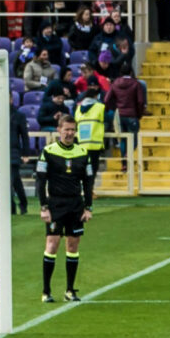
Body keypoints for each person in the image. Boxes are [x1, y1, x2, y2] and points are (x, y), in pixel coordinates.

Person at [35, 111, 97, 302]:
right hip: (55, 205)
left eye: (72, 130)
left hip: (75, 205)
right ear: (59, 130)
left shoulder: (83, 153)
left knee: (73, 245)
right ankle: (46, 292)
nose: (69, 133)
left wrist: (88, 207)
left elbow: (88, 182)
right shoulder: (48, 152)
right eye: (66, 129)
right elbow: (40, 180)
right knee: (52, 245)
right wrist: (44, 207)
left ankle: (70, 290)